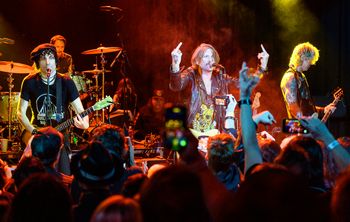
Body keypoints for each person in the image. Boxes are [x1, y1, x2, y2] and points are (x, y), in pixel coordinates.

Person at [17, 43, 89, 174]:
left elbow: (81, 111)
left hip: (61, 133)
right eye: (43, 58)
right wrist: (34, 132)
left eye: (51, 57)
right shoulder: (29, 81)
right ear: (38, 62)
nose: (48, 62)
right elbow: (20, 112)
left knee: (64, 173)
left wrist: (85, 124)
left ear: (56, 61)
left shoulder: (66, 82)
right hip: (37, 132)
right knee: (32, 174)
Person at [170, 42, 269, 136]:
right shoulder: (190, 74)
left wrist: (262, 66)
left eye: (212, 56)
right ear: (197, 61)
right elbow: (176, 85)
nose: (210, 60)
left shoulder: (220, 77)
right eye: (206, 56)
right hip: (192, 132)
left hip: (214, 134)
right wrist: (175, 65)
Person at [280, 42, 336, 118]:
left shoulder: (301, 76)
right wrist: (305, 121)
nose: (311, 63)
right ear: (303, 58)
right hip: (297, 127)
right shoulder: (290, 77)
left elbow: (306, 108)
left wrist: (323, 110)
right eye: (310, 60)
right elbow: (292, 106)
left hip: (305, 126)